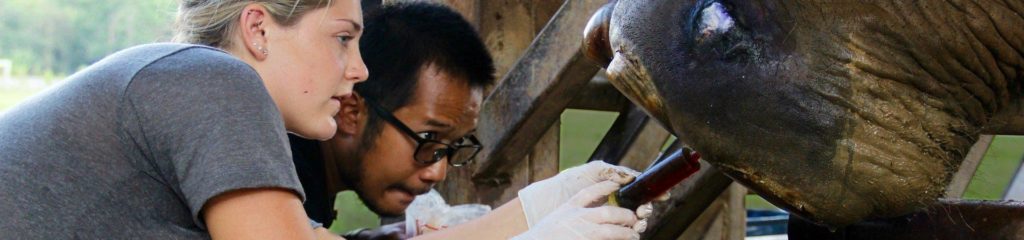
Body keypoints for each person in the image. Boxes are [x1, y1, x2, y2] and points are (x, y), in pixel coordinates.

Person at [0, 0, 368, 238]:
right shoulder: (217, 81)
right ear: (258, 29)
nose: (360, 69)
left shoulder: (187, 81)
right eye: (342, 38)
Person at [289, 3, 653, 240]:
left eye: (453, 148)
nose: (438, 173)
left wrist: (539, 205)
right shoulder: (280, 164)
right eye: (428, 139)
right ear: (353, 112)